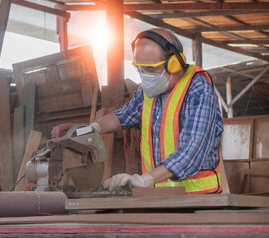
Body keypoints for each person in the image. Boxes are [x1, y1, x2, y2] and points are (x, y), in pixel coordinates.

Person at [52, 28, 223, 195]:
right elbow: (122, 116)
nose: (145, 76)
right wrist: (88, 130)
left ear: (174, 63)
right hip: (160, 195)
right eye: (140, 69)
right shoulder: (148, 91)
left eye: (150, 69)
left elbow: (192, 151)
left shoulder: (198, 89)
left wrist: (144, 180)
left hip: (197, 197)